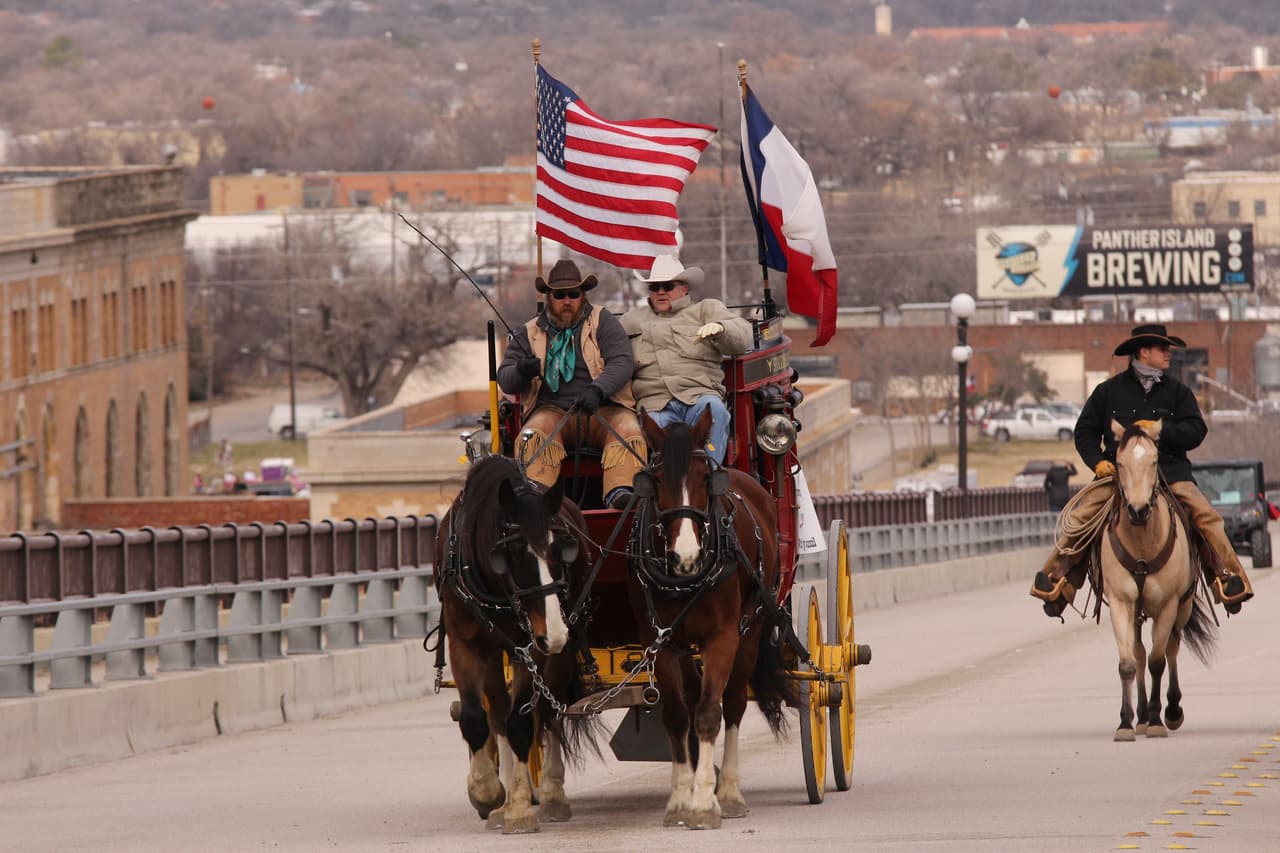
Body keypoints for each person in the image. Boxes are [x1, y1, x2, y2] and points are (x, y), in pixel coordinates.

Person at [1031, 324, 1254, 617]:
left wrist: (1163, 430)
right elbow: (1084, 432)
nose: (1169, 354)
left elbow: (1197, 431)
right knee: (1081, 519)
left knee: (1207, 518)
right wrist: (1097, 462)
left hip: (1171, 473)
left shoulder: (1178, 392)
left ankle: (1227, 579)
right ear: (1143, 352)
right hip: (1120, 476)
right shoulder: (1106, 392)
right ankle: (1057, 583)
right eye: (1163, 349)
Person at [497, 259, 646, 509]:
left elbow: (622, 361)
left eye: (574, 294)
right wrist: (522, 371)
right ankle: (537, 496)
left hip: (603, 409)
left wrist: (598, 389)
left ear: (583, 295)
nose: (567, 300)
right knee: (533, 434)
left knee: (629, 429)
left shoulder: (603, 321)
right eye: (560, 294)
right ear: (549, 297)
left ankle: (620, 491)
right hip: (552, 411)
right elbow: (506, 378)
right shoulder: (528, 332)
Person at [620, 255, 752, 465]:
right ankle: (660, 488)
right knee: (648, 435)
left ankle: (710, 478)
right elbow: (608, 352)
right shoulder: (630, 320)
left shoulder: (706, 310)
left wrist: (722, 329)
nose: (660, 291)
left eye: (667, 286)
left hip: (699, 396)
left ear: (684, 288)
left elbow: (743, 337)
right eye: (655, 287)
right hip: (655, 403)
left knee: (715, 411)